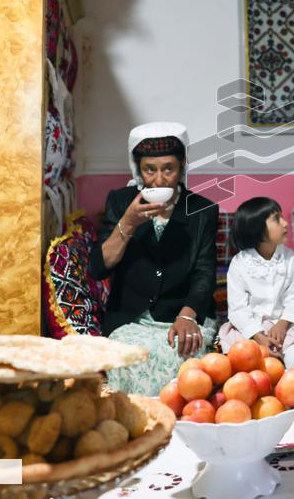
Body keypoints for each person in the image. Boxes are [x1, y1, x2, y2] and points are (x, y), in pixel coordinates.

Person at [89, 122, 220, 396]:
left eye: (168, 169)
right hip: (131, 319)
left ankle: (178, 427)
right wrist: (128, 221)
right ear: (138, 169)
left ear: (182, 166)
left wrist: (188, 316)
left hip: (182, 315)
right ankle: (138, 422)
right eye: (150, 170)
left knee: (183, 358)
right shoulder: (120, 201)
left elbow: (204, 272)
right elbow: (99, 268)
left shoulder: (202, 210)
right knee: (128, 356)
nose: (159, 180)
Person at [218, 197, 294, 368]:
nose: (285, 223)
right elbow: (238, 308)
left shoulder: (291, 258)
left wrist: (282, 324)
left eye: (282, 217)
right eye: (277, 219)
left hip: (285, 327)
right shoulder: (239, 263)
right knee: (246, 365)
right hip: (251, 330)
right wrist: (259, 337)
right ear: (256, 229)